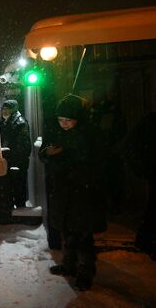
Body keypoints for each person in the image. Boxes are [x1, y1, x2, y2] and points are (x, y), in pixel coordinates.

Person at [40, 94, 106, 291]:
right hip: (65, 192)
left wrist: (67, 161)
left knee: (84, 236)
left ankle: (86, 272)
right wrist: (47, 154)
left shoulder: (91, 134)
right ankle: (69, 265)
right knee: (68, 231)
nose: (64, 124)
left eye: (68, 120)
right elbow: (45, 152)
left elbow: (96, 163)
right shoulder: (59, 133)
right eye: (61, 120)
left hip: (84, 193)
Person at [89, 86, 127, 214]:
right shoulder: (100, 110)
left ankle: (113, 207)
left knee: (111, 181)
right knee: (108, 181)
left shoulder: (100, 110)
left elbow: (119, 131)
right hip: (103, 152)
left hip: (107, 152)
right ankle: (111, 207)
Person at [124, 111, 156, 260]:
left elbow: (131, 144)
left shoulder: (149, 121)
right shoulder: (150, 122)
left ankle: (148, 241)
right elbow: (132, 145)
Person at [0, 99, 32, 208]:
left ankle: (20, 208)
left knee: (19, 186)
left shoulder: (20, 123)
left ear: (13, 110)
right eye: (3, 109)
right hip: (11, 160)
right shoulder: (6, 122)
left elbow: (22, 145)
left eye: (7, 109)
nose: (4, 112)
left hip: (17, 161)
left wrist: (14, 160)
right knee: (12, 186)